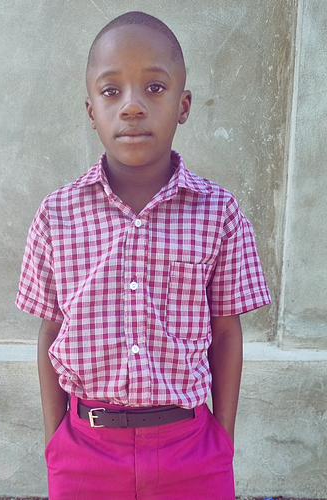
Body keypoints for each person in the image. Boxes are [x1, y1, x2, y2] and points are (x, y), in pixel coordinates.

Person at [16, 11, 271, 500]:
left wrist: (222, 440)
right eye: (111, 91)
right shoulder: (57, 215)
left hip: (191, 449)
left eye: (154, 88)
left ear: (183, 105)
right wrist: (55, 440)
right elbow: (51, 329)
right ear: (91, 109)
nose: (132, 106)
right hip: (85, 450)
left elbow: (225, 331)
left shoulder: (219, 213)